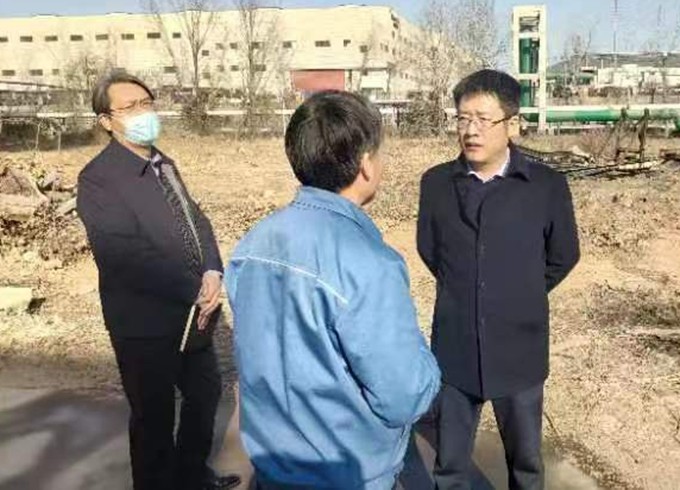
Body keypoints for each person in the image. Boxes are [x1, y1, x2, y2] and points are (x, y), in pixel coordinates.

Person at [226, 90, 441, 489]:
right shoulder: (369, 262)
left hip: (273, 464)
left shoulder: (253, 244)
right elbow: (403, 396)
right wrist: (427, 369)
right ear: (366, 164)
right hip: (345, 472)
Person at [417, 69, 580, 490]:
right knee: (450, 466)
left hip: (519, 349)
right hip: (455, 348)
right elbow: (430, 250)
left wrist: (517, 291)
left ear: (513, 124)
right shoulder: (436, 184)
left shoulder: (545, 186)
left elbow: (563, 255)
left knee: (526, 465)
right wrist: (468, 290)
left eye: (483, 119)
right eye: (462, 118)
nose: (470, 130)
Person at [76, 71, 240, 490]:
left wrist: (212, 269)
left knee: (205, 394)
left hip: (193, 316)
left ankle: (191, 475)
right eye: (130, 107)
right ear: (106, 121)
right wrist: (192, 288)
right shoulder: (98, 178)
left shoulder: (163, 163)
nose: (142, 112)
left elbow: (196, 220)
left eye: (146, 103)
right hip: (144, 322)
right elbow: (123, 256)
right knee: (154, 416)